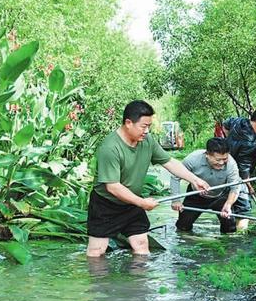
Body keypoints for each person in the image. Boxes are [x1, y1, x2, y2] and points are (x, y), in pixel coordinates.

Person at [86, 100, 210, 257]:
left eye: (149, 126)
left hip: (132, 203)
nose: (147, 131)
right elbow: (113, 187)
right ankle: (99, 281)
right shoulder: (110, 148)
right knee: (97, 252)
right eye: (143, 126)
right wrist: (142, 203)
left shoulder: (147, 141)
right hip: (106, 205)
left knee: (142, 246)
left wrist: (194, 179)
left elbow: (169, 162)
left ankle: (138, 281)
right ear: (128, 123)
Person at [170, 137, 242, 234]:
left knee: (230, 229)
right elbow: (175, 176)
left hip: (220, 196)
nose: (221, 163)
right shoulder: (193, 159)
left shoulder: (231, 164)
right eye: (218, 159)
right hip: (196, 196)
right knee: (182, 227)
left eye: (224, 159)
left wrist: (228, 204)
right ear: (207, 154)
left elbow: (235, 187)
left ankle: (226, 246)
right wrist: (176, 200)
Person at [222, 107, 256, 230]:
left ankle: (229, 233)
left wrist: (227, 144)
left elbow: (225, 124)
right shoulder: (250, 143)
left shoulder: (239, 121)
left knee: (226, 204)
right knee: (244, 209)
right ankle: (240, 239)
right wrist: (249, 186)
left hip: (222, 167)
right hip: (236, 176)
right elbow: (243, 170)